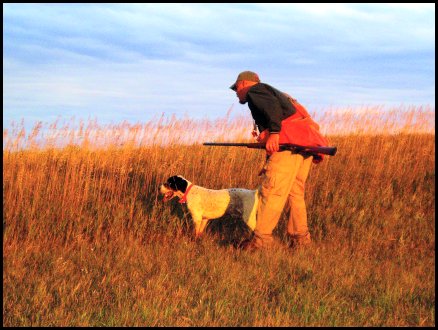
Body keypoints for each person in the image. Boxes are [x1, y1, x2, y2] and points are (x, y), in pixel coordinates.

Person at [229, 71, 329, 251]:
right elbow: (279, 114)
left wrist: (274, 133)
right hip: (304, 146)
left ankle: (261, 241)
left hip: (289, 147)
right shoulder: (281, 95)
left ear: (244, 83)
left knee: (272, 192)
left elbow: (273, 111)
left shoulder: (256, 91)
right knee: (294, 193)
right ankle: (301, 241)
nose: (236, 92)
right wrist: (269, 156)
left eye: (236, 88)